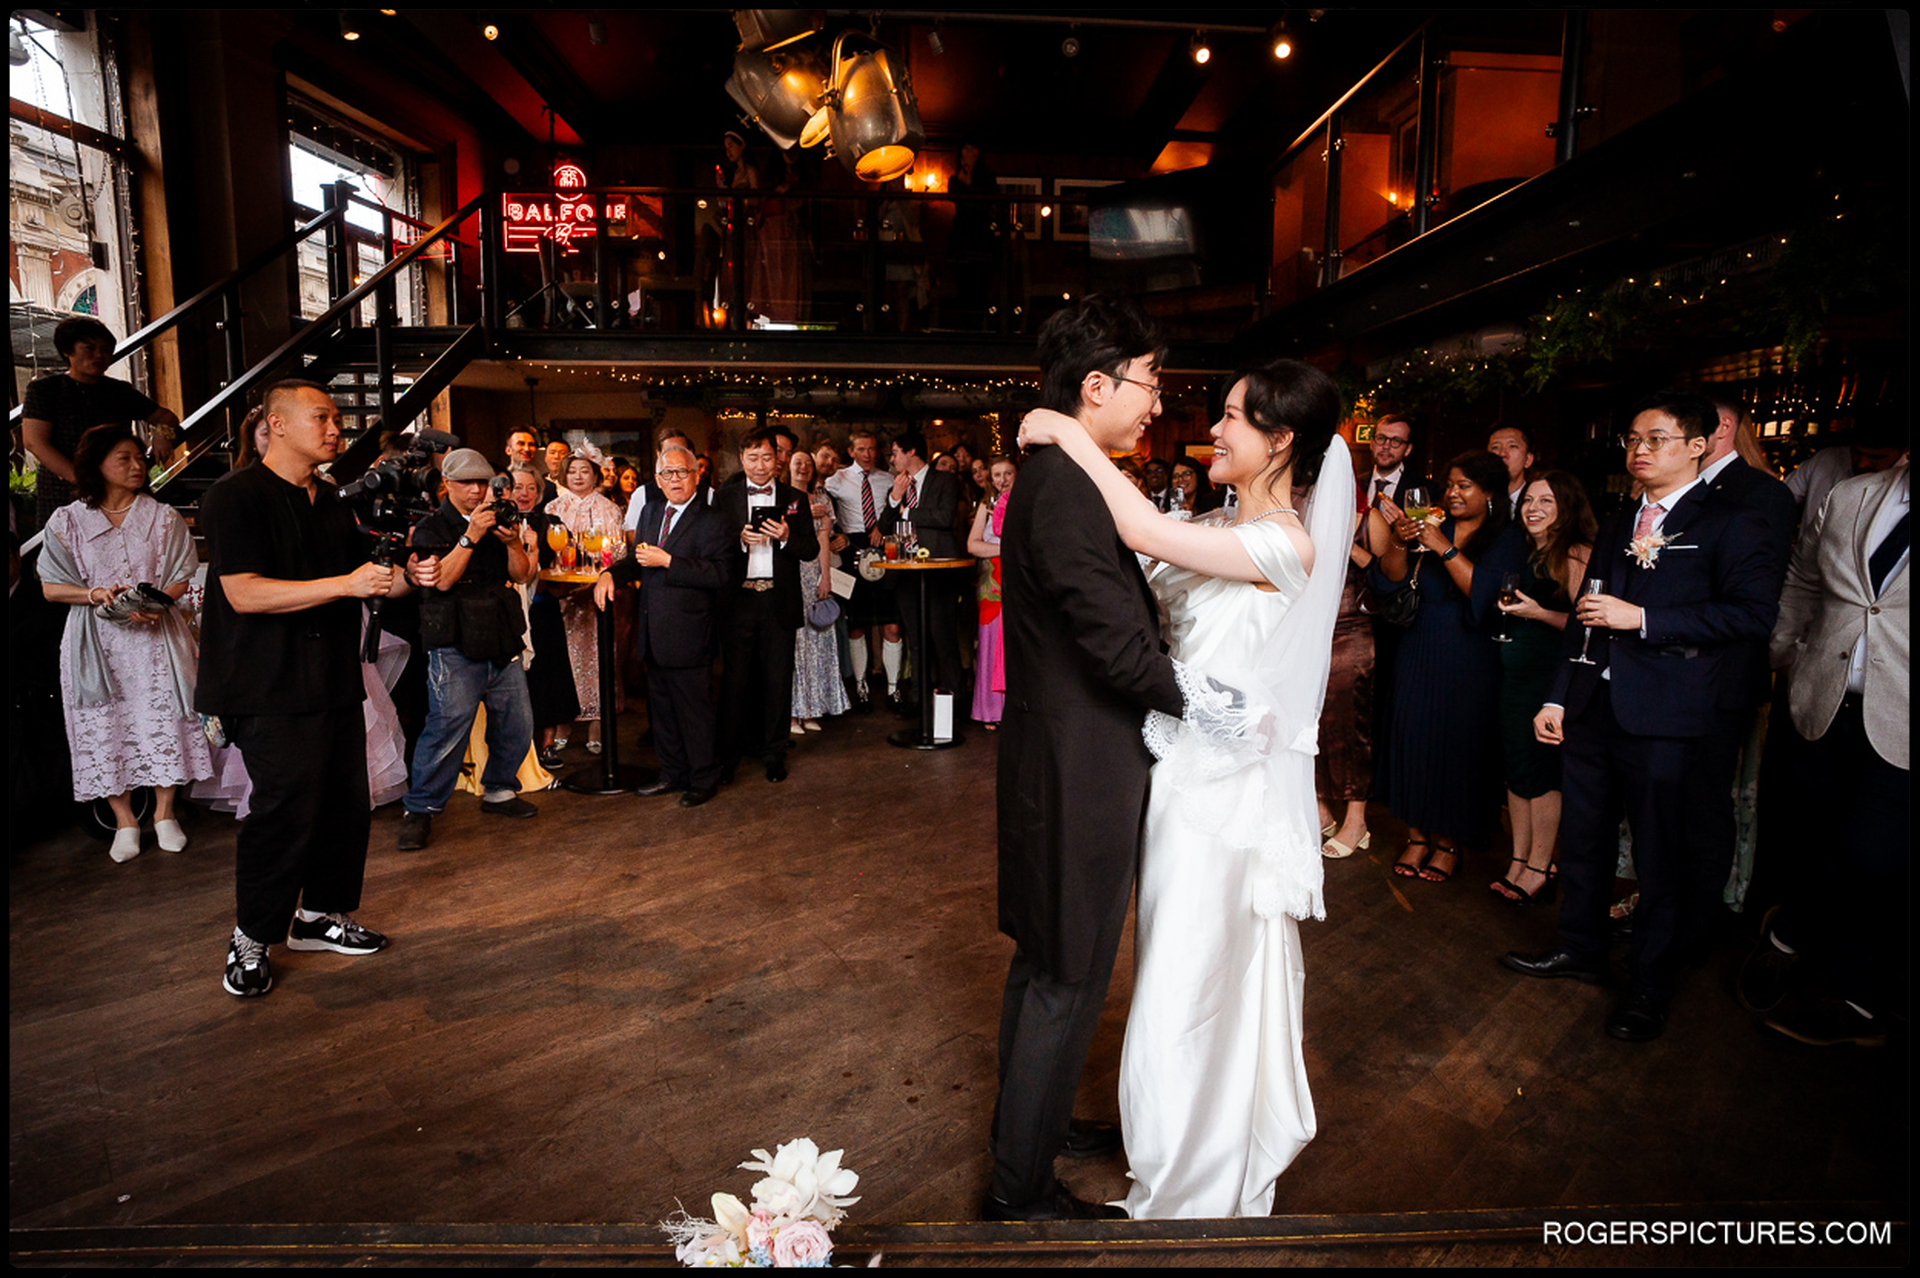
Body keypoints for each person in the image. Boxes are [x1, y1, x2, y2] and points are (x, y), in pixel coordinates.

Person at [1018, 351, 1352, 1219]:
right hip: (1177, 778)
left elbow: (1141, 532)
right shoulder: (1217, 521)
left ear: (1281, 440)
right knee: (1180, 967)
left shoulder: (1287, 543)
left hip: (1226, 801)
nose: (1213, 430)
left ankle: (1191, 1169)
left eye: (1232, 416)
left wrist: (1068, 434)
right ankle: (1179, 1129)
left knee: (1189, 979)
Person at [1504, 392, 1787, 1042]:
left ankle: (1651, 985)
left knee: (1661, 855)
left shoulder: (1732, 519)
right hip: (1592, 707)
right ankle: (1580, 948)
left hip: (1667, 711)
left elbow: (1751, 615)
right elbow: (1588, 611)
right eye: (1633, 438)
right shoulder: (1620, 519)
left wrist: (1646, 619)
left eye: (1656, 438)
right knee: (1585, 839)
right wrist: (1557, 696)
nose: (1639, 450)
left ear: (1699, 445)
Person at [988, 295, 1184, 1223]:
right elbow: (1118, 648)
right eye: (1150, 383)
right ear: (1097, 386)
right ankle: (1019, 1190)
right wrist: (1216, 707)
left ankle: (1031, 1129)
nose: (1158, 404)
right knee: (1066, 974)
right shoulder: (1067, 487)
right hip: (1083, 768)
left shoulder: (1059, 473)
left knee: (1044, 962)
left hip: (1054, 755)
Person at [196, 380, 410, 998]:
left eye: (337, 417)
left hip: (333, 677)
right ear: (278, 424)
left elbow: (373, 579)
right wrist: (346, 585)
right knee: (283, 811)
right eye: (323, 417)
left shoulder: (331, 500)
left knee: (345, 805)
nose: (336, 428)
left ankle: (318, 917)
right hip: (266, 684)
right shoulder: (235, 495)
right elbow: (244, 592)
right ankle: (252, 936)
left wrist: (411, 576)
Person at [1749, 458, 1907, 1046]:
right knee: (1811, 831)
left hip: (1903, 721)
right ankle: (1788, 936)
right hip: (1824, 700)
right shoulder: (1850, 494)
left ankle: (1855, 998)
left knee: (1874, 857)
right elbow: (1804, 577)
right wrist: (1784, 651)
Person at [36, 424, 211, 863]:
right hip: (95, 643)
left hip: (155, 638)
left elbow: (180, 575)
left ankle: (165, 814)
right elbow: (51, 588)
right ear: (97, 464)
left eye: (139, 458)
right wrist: (95, 594)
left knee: (165, 719)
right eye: (124, 458)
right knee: (103, 726)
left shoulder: (161, 517)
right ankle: (125, 821)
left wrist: (153, 603)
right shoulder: (68, 521)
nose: (137, 466)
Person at [1371, 451, 1517, 882]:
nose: (1452, 493)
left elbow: (1487, 594)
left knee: (1457, 747)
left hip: (1470, 654)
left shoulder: (1505, 538)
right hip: (1419, 646)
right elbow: (1391, 578)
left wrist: (1444, 548)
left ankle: (1449, 842)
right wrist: (1400, 540)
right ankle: (1416, 836)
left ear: (1488, 493)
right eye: (1450, 484)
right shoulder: (1435, 525)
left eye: (1464, 486)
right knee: (1411, 738)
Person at [393, 449, 539, 852]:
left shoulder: (499, 518)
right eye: (466, 483)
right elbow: (441, 581)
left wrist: (513, 542)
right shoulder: (430, 526)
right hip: (454, 639)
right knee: (447, 727)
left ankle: (500, 791)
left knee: (517, 722)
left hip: (501, 632)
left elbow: (521, 574)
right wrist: (471, 535)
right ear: (447, 484)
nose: (476, 490)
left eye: (482, 482)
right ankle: (420, 808)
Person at [594, 443, 732, 807]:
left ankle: (703, 778)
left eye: (682, 472)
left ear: (696, 476)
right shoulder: (652, 511)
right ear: (657, 479)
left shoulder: (713, 519)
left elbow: (721, 574)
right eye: (668, 473)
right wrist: (610, 574)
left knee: (694, 712)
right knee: (662, 712)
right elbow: (638, 560)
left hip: (690, 632)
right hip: (652, 630)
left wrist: (670, 561)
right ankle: (672, 774)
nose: (675, 479)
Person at [1487, 471, 1595, 903]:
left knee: (1542, 771)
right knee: (1517, 769)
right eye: (1529, 500)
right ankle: (1518, 859)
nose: (1533, 508)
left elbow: (1588, 626)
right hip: (1516, 679)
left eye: (1546, 501)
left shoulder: (1575, 553)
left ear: (1566, 506)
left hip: (1549, 681)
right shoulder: (1530, 551)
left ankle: (1540, 865)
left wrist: (1538, 614)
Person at [716, 430, 818, 783]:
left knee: (778, 680)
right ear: (741, 459)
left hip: (778, 599)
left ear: (778, 460)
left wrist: (787, 537)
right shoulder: (724, 497)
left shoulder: (795, 498)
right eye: (753, 458)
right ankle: (728, 756)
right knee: (735, 680)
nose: (760, 465)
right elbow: (711, 547)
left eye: (767, 458)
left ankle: (775, 752)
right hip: (739, 600)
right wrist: (739, 540)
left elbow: (811, 549)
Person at [22, 317, 182, 528]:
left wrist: (162, 434)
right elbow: (34, 442)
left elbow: (166, 417)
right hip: (64, 490)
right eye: (89, 348)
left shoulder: (119, 390)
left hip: (118, 490)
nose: (99, 355)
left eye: (106, 350)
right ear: (68, 351)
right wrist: (82, 480)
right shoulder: (46, 390)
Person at [546, 454, 626, 754]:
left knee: (599, 658)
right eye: (572, 471)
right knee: (562, 660)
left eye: (585, 471)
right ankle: (563, 722)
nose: (578, 477)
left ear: (595, 475)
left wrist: (594, 581)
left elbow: (619, 553)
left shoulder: (609, 509)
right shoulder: (553, 508)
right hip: (560, 596)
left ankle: (597, 723)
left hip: (597, 595)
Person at [1315, 470, 1376, 861]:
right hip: (1310, 629)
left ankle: (1357, 820)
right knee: (1313, 721)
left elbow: (1383, 571)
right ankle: (1320, 807)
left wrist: (1344, 540)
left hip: (1351, 628)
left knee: (1353, 725)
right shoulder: (1303, 514)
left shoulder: (1367, 518)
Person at [877, 431, 965, 703]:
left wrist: (906, 512)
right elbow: (883, 527)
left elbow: (944, 517)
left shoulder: (945, 480)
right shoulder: (897, 486)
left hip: (938, 570)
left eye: (895, 453)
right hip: (905, 571)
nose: (892, 460)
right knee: (915, 639)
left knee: (943, 636)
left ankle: (956, 698)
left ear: (911, 451)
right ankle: (919, 699)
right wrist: (895, 498)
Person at [823, 430, 903, 707]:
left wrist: (884, 529)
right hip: (852, 548)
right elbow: (825, 512)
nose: (868, 454)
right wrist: (837, 535)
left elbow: (896, 512)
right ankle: (861, 686)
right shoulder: (835, 480)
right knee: (856, 625)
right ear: (851, 451)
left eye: (871, 449)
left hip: (884, 546)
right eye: (861, 449)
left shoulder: (888, 479)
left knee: (892, 625)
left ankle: (893, 689)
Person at [508, 464, 579, 766]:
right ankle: (519, 749)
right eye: (517, 487)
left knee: (548, 675)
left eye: (531, 488)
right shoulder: (498, 523)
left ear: (539, 493)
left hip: (543, 608)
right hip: (509, 614)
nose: (524, 493)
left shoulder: (553, 523)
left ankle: (548, 744)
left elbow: (570, 559)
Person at [788, 449, 846, 733]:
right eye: (797, 463)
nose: (803, 468)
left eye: (808, 464)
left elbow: (824, 540)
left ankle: (812, 708)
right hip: (789, 572)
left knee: (817, 640)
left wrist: (826, 577)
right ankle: (791, 713)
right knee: (795, 644)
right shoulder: (782, 499)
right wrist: (800, 514)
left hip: (813, 573)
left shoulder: (822, 499)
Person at [967, 456, 1017, 731]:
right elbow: (973, 545)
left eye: (1008, 473)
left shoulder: (1023, 503)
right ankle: (990, 710)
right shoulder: (985, 506)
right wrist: (1006, 550)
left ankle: (1016, 710)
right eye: (997, 475)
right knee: (989, 643)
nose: (1002, 480)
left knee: (1015, 643)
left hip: (1018, 581)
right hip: (991, 585)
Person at [1487, 425, 1536, 518]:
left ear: (1528, 459)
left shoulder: (1538, 502)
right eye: (1495, 447)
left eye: (1512, 446)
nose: (1502, 454)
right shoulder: (1477, 502)